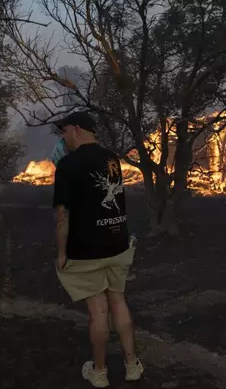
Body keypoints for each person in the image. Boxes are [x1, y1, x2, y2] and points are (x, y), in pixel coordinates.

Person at [52, 111, 143, 388]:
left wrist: (62, 253)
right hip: (117, 243)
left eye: (64, 131)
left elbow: (62, 216)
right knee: (119, 301)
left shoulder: (67, 165)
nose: (63, 136)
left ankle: (100, 372)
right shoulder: (111, 158)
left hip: (86, 250)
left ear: (77, 130)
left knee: (99, 312)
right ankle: (132, 366)